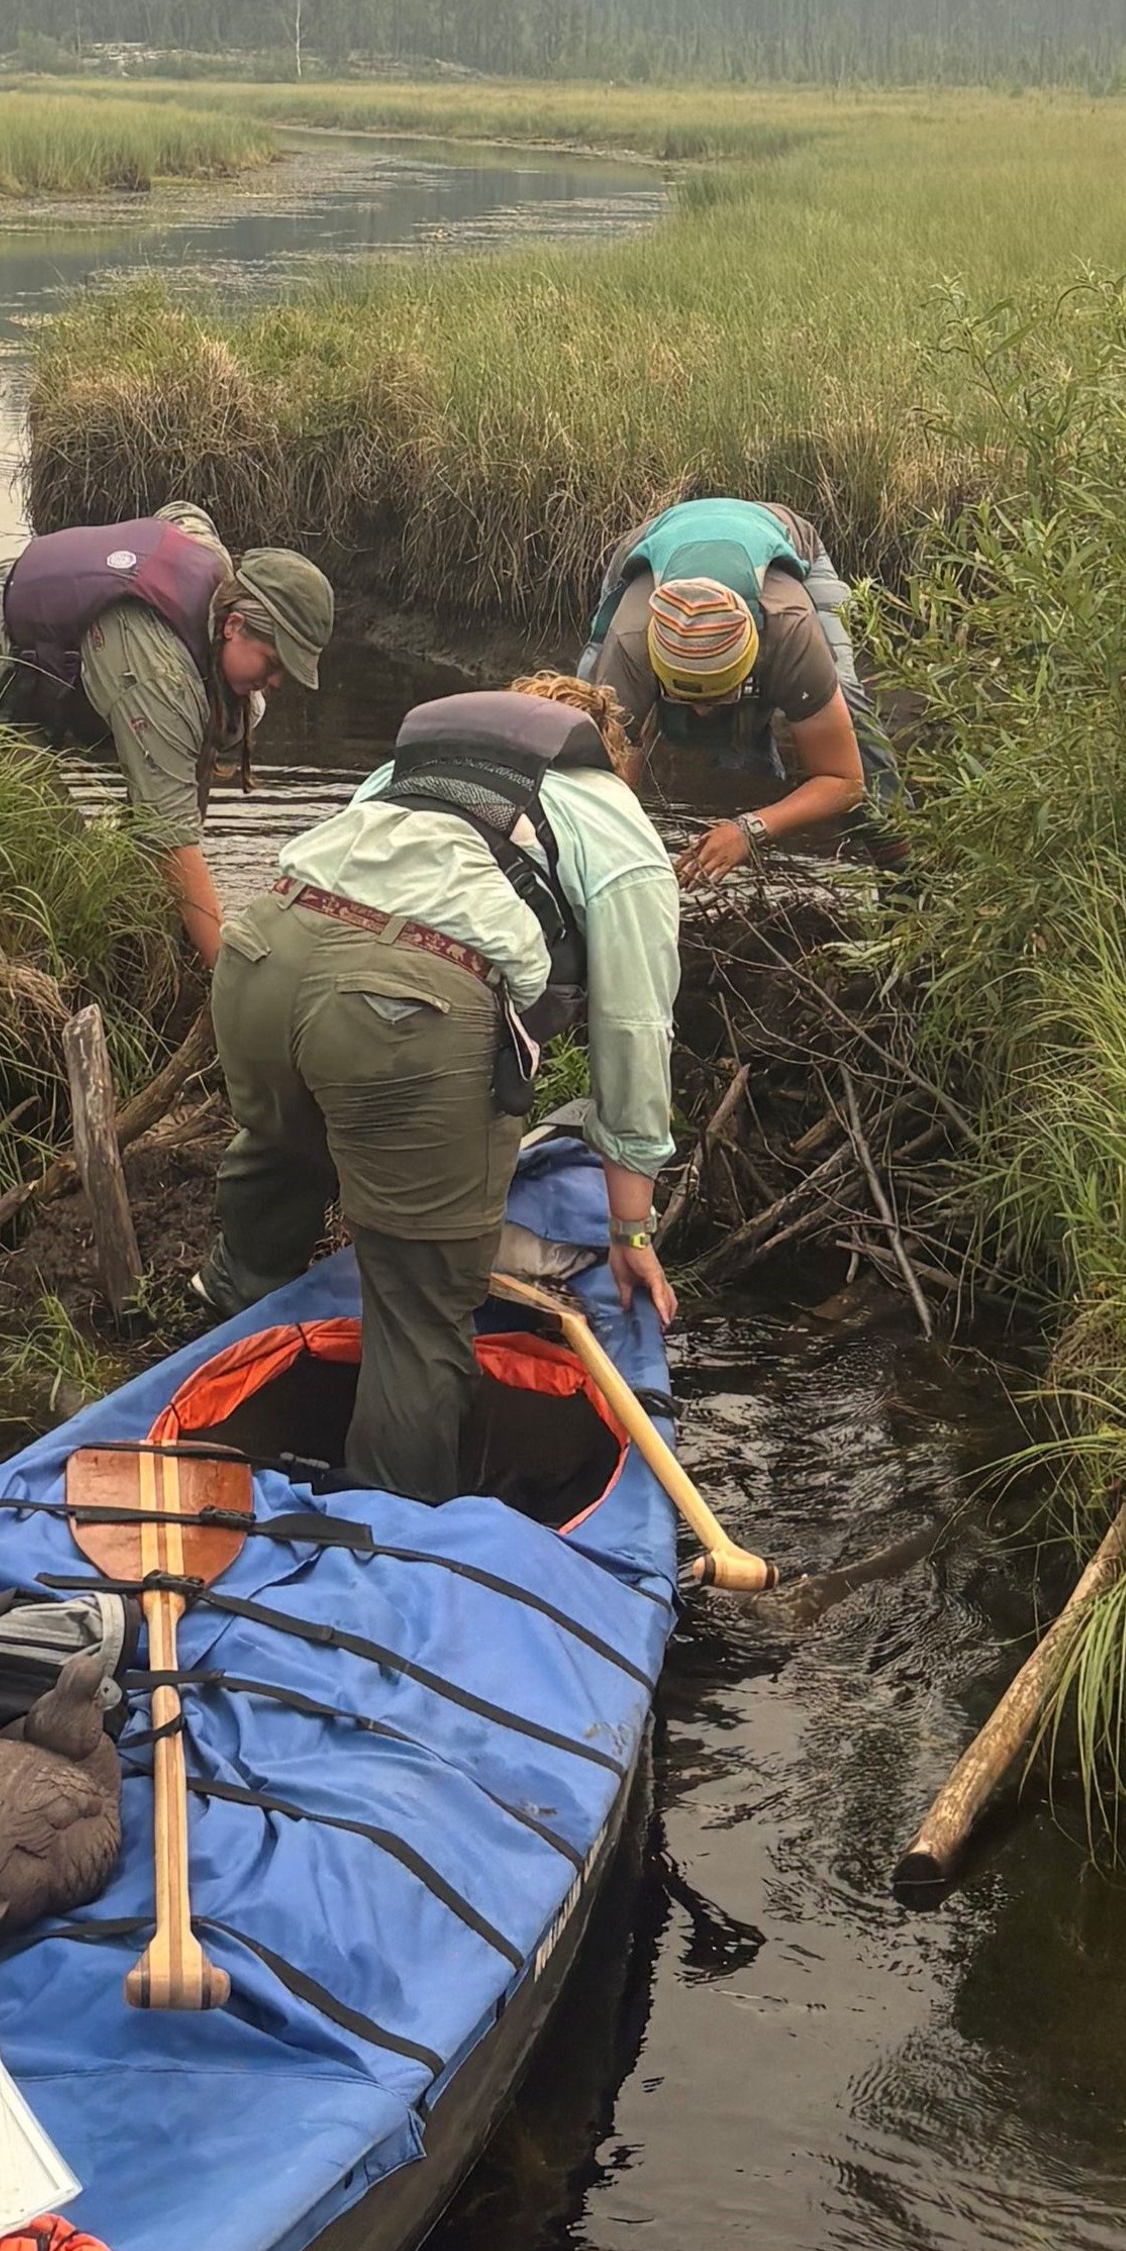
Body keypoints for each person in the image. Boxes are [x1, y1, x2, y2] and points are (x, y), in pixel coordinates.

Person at [202, 675, 680, 1506]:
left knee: (283, 1157)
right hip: (404, 1014)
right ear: (611, 758)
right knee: (421, 1311)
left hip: (258, 961)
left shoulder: (407, 773)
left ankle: (218, 1388)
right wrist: (630, 1228)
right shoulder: (610, 816)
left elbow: (340, 897)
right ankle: (389, 1540)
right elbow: (635, 1031)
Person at [0, 503, 335, 960]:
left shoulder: (215, 569)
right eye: (273, 663)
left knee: (84, 864)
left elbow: (183, 513)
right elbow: (170, 837)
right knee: (55, 867)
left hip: (18, 678)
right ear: (233, 625)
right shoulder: (160, 676)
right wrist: (228, 973)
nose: (275, 683)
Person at [577, 495, 900, 884]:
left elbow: (845, 781)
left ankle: (902, 864)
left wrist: (750, 829)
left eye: (716, 699)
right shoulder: (632, 641)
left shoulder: (790, 629)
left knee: (847, 702)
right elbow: (608, 782)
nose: (700, 714)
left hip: (785, 544)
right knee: (585, 726)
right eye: (684, 699)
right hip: (652, 545)